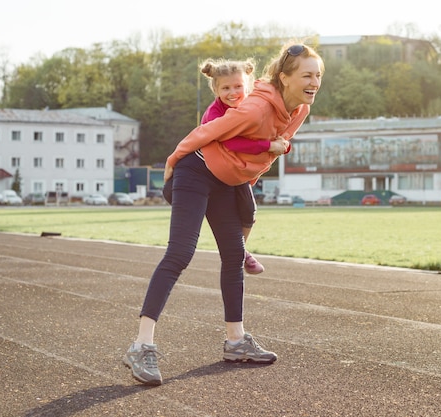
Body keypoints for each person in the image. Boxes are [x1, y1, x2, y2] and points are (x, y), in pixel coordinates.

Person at [124, 42, 324, 386]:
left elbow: (273, 150)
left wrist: (251, 174)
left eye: (318, 75)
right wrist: (172, 166)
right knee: (180, 253)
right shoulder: (255, 109)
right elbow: (204, 134)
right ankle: (141, 345)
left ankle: (236, 341)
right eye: (307, 75)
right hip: (196, 170)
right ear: (285, 77)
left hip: (227, 180)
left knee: (233, 257)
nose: (315, 82)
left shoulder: (299, 110)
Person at [162, 57, 284, 274]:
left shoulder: (251, 107)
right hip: (214, 170)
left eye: (238, 86)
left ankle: (242, 250)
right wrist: (268, 145)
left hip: (236, 169)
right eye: (226, 88)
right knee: (195, 235)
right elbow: (231, 141)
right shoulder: (214, 114)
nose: (233, 92)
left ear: (247, 86)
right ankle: (241, 252)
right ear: (215, 90)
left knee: (249, 210)